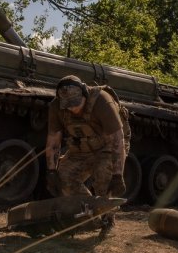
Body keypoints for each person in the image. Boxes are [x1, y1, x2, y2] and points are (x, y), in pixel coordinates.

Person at [45, 75, 127, 228]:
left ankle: (107, 217)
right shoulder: (57, 107)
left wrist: (118, 175)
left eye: (76, 103)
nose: (73, 108)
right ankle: (90, 214)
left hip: (107, 148)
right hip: (81, 149)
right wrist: (51, 171)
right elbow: (53, 142)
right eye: (68, 105)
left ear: (84, 93)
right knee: (63, 177)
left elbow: (118, 140)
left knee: (104, 177)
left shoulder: (102, 101)